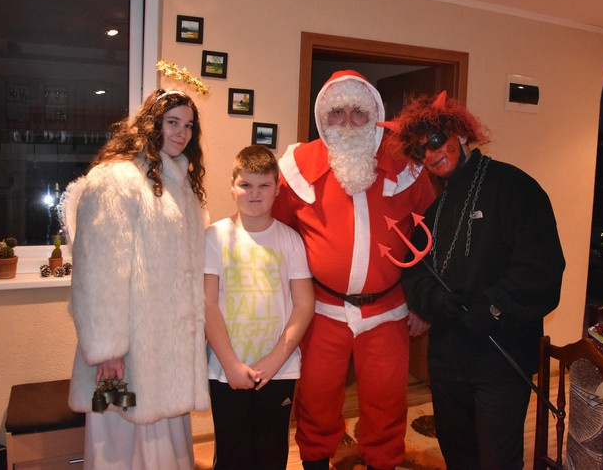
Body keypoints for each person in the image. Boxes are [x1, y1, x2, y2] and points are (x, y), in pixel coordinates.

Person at [389, 91, 565, 470]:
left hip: (501, 359)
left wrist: (492, 309)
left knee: (497, 460)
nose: (432, 154)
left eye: (437, 140)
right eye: (421, 151)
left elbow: (542, 269)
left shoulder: (515, 188)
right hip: (447, 362)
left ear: (462, 133)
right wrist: (435, 301)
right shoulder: (434, 211)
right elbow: (415, 272)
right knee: (459, 457)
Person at [272, 71, 436, 470]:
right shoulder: (297, 168)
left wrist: (423, 303)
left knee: (387, 402)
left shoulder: (407, 168)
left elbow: (433, 238)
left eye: (358, 112)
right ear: (323, 118)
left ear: (375, 114)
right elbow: (277, 240)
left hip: (388, 311)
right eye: (338, 113)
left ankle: (382, 462)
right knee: (316, 399)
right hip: (321, 310)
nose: (347, 122)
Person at [62, 89, 210, 469]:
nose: (181, 133)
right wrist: (108, 348)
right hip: (128, 354)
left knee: (165, 445)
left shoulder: (180, 185)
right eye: (172, 122)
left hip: (165, 351)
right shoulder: (117, 178)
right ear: (151, 124)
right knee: (123, 450)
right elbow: (98, 271)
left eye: (188, 126)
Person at [204, 145, 315, 469]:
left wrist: (276, 359)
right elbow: (207, 303)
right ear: (232, 186)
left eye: (264, 185)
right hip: (226, 371)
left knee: (271, 454)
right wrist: (230, 363)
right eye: (246, 185)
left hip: (279, 370)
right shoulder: (214, 237)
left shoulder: (290, 240)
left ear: (277, 188)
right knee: (232, 454)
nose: (255, 193)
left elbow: (304, 304)